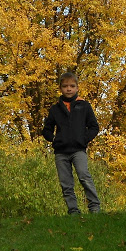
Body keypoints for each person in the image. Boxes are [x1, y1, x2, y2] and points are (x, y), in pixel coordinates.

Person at [42, 72, 101, 214]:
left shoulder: (84, 106)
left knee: (84, 177)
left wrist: (83, 139)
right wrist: (54, 139)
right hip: (61, 152)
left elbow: (94, 127)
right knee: (66, 183)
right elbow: (47, 129)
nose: (69, 89)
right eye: (65, 86)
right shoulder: (55, 109)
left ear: (77, 88)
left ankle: (94, 208)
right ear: (60, 88)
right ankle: (73, 210)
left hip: (78, 150)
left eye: (72, 86)